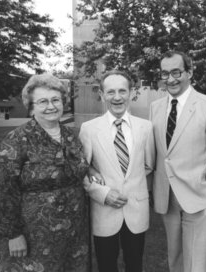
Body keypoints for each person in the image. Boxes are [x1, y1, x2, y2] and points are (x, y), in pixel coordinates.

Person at [0, 74, 90, 271]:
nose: (51, 106)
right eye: (43, 101)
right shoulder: (17, 140)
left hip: (75, 231)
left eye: (56, 100)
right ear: (31, 106)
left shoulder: (71, 136)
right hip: (34, 234)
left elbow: (80, 173)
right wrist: (13, 234)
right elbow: (3, 191)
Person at [149, 50, 206, 272]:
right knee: (175, 257)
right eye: (165, 74)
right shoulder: (155, 107)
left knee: (196, 262)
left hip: (198, 194)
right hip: (166, 195)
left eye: (176, 72)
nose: (170, 79)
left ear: (190, 72)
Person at [79, 70, 155, 272]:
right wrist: (102, 193)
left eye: (123, 91)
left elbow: (148, 165)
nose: (117, 97)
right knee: (106, 265)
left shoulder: (146, 128)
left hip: (136, 209)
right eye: (110, 92)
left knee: (135, 264)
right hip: (104, 209)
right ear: (103, 95)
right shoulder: (89, 129)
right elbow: (81, 170)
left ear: (131, 93)